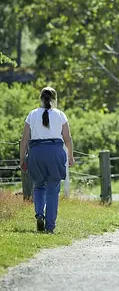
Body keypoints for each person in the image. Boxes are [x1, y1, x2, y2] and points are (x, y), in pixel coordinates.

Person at [19, 87, 74, 233]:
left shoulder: (32, 114)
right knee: (52, 189)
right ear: (54, 99)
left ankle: (39, 214)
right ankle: (50, 226)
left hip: (36, 153)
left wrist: (22, 159)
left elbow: (24, 140)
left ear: (41, 98)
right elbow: (67, 138)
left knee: (38, 186)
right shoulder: (60, 115)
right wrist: (70, 156)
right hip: (55, 152)